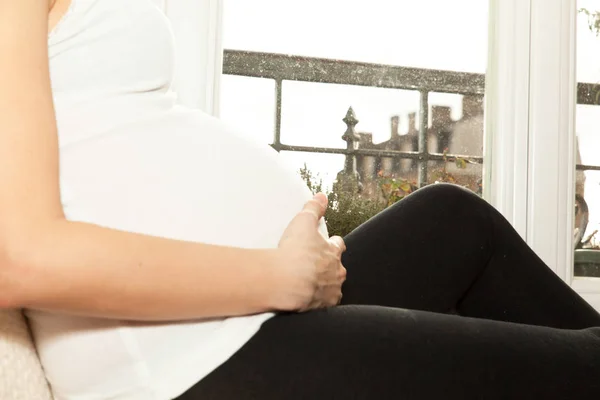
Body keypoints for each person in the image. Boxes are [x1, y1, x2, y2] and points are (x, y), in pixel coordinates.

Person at [0, 0, 598, 399]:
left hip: (233, 326)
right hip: (186, 365)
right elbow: (19, 257)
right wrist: (276, 276)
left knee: (454, 222)